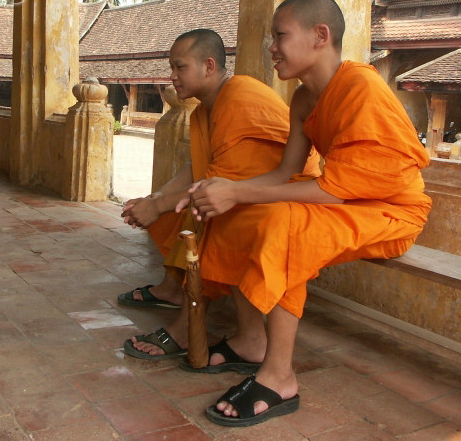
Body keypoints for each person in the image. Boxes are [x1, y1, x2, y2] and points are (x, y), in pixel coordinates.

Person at [186, 0, 432, 426]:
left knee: (286, 223)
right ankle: (249, 340)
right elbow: (285, 175)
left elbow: (336, 189)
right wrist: (227, 189)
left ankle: (280, 377)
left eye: (280, 35)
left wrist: (240, 192)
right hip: (345, 202)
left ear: (321, 36)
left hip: (391, 212)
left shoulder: (361, 87)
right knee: (237, 211)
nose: (271, 47)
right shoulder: (302, 100)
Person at [119, 28, 320, 365]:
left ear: (208, 66)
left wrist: (158, 204)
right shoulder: (204, 110)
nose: (173, 77)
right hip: (252, 187)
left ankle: (189, 326)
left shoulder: (239, 97)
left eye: (180, 67)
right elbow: (200, 166)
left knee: (210, 214)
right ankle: (173, 291)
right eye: (172, 67)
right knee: (188, 208)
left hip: (291, 190)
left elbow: (222, 182)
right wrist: (155, 198)